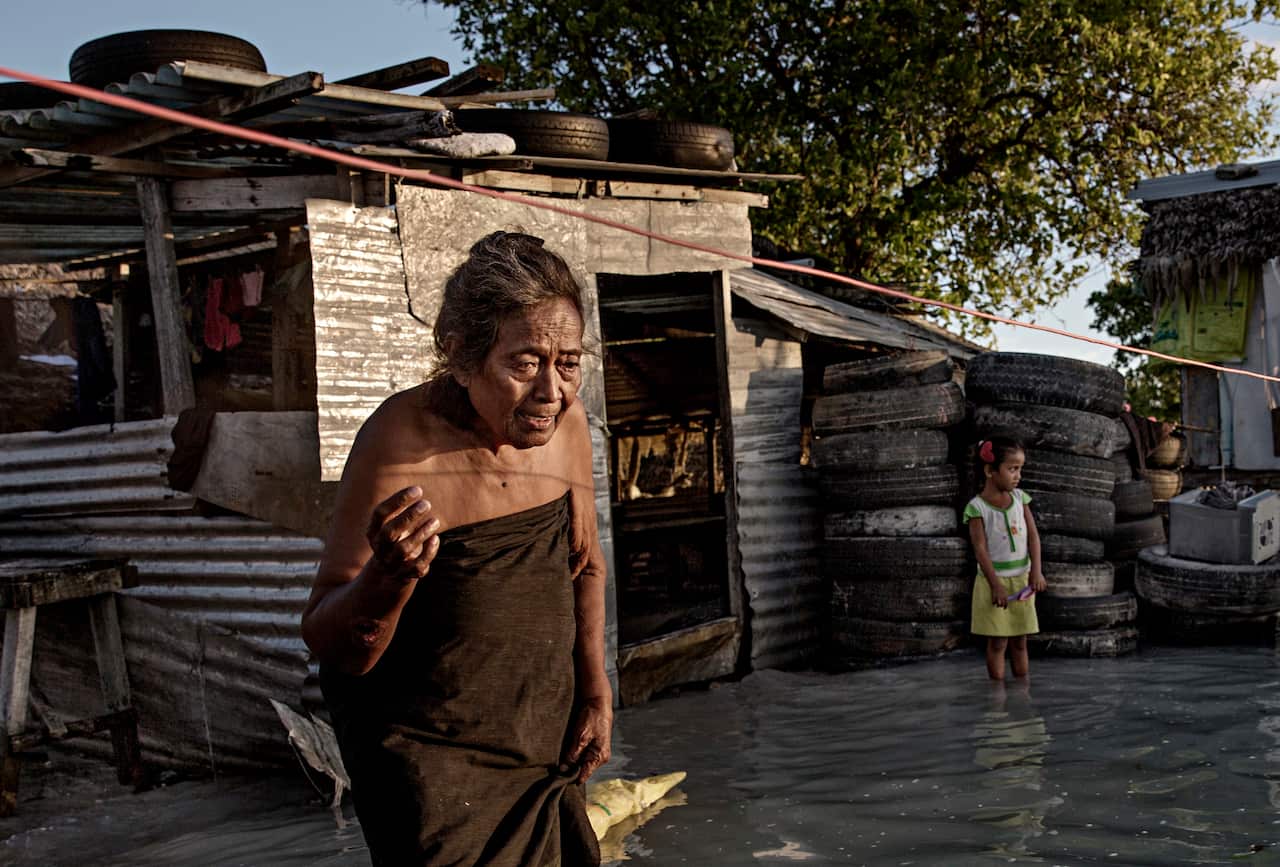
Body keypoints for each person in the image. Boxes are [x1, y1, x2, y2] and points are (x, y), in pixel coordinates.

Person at [301, 231, 610, 866]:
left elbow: (585, 566)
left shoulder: (568, 426)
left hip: (538, 743)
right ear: (461, 356)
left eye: (569, 363)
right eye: (524, 364)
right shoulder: (400, 445)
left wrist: (596, 693)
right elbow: (334, 644)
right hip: (431, 766)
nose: (552, 391)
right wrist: (387, 579)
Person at [964, 438, 1046, 681]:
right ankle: (997, 696)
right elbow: (980, 550)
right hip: (993, 582)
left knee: (1020, 642)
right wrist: (996, 585)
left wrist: (1036, 571)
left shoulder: (1021, 499)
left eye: (1020, 469)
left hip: (1022, 580)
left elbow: (1033, 537)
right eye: (1012, 469)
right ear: (990, 470)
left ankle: (1022, 692)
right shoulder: (977, 508)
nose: (1018, 475)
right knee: (998, 643)